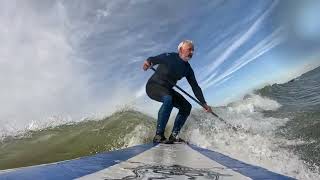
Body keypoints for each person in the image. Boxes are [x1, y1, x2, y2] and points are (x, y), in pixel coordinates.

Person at [142, 40, 212, 144]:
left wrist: (204, 103)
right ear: (180, 49)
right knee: (168, 99)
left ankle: (174, 136)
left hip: (168, 90)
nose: (192, 52)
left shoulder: (188, 69)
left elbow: (195, 87)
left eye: (193, 50)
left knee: (186, 106)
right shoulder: (170, 56)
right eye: (189, 49)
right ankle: (158, 136)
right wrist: (148, 62)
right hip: (153, 86)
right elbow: (155, 59)